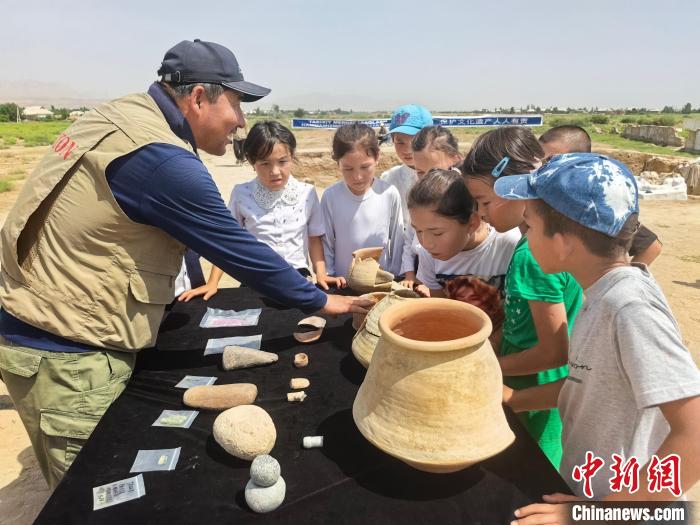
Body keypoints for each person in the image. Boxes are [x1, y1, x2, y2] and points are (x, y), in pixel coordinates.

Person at [0, 39, 369, 489]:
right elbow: (236, 248)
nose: (241, 120)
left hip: (46, 323)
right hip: (67, 353)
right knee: (96, 489)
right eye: (236, 103)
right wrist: (323, 302)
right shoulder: (161, 160)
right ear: (197, 97)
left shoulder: (122, 116)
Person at [494, 154, 700, 523]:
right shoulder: (600, 293)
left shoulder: (630, 309)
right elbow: (592, 385)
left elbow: (695, 435)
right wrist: (516, 399)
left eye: (530, 226)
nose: (526, 237)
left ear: (564, 244)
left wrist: (592, 514)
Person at [461, 127, 583, 469]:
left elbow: (554, 351)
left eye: (485, 202)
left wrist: (489, 369)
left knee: (533, 475)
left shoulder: (533, 255)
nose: (480, 213)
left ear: (514, 188)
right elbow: (521, 324)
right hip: (528, 385)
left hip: (534, 400)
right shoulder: (540, 241)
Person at [179, 121, 344, 302]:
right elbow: (228, 240)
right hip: (254, 281)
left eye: (282, 162)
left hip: (298, 279)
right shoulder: (241, 194)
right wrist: (213, 282)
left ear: (292, 156)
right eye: (265, 163)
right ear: (252, 161)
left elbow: (314, 238)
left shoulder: (307, 193)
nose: (275, 171)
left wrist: (321, 274)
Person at [407, 169, 520, 331]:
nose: (426, 243)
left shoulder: (511, 247)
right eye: (418, 231)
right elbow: (442, 310)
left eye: (437, 233)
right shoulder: (428, 254)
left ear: (472, 223)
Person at [539, 125, 663, 266]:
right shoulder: (539, 192)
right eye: (540, 160)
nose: (543, 167)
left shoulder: (593, 205)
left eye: (551, 160)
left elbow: (651, 247)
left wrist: (620, 277)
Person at [321, 123, 404, 279]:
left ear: (377, 157)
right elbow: (326, 243)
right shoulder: (331, 196)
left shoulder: (389, 193)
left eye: (365, 167)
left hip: (381, 282)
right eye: (348, 169)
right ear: (338, 162)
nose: (357, 177)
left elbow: (398, 240)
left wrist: (395, 276)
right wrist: (329, 275)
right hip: (343, 282)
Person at [399, 125, 466, 289]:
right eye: (420, 172)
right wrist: (410, 273)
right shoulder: (418, 194)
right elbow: (409, 237)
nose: (427, 179)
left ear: (455, 157)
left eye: (435, 171)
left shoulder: (467, 194)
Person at [380, 104, 433, 231]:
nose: (408, 150)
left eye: (415, 141)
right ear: (392, 140)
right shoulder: (389, 179)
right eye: (400, 142)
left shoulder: (446, 177)